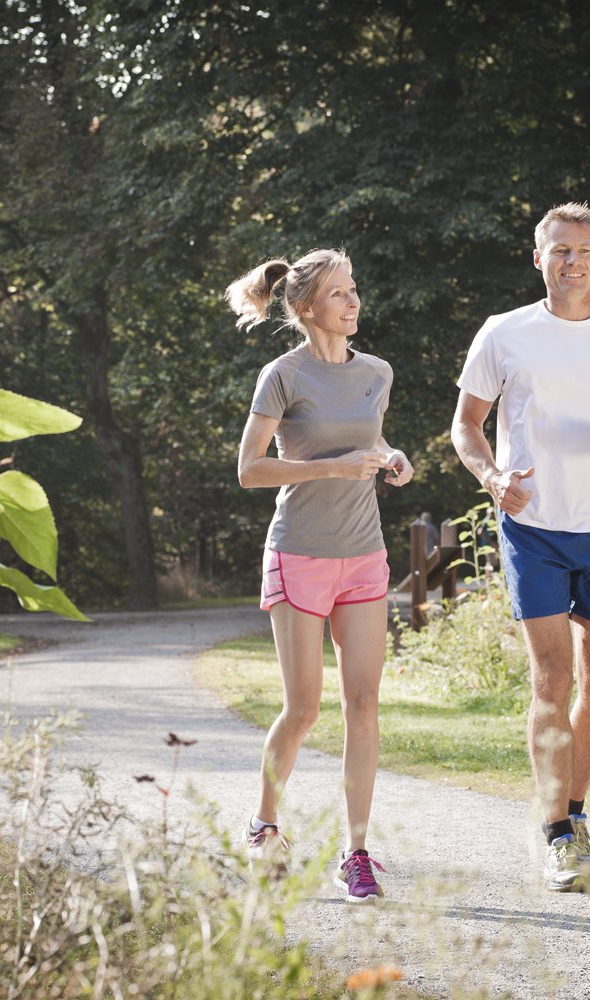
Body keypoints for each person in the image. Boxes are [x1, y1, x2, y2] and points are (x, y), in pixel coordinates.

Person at [450, 202, 590, 892]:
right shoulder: (503, 333)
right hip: (533, 526)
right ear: (537, 258)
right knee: (552, 678)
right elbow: (465, 426)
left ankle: (573, 814)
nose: (570, 261)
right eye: (557, 251)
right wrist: (491, 477)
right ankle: (554, 832)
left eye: (581, 250)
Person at [228, 247, 414, 903]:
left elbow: (370, 439)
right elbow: (249, 469)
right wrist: (329, 468)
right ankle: (264, 825)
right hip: (299, 553)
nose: (353, 301)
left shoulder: (376, 372)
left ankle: (356, 853)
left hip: (363, 554)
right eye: (339, 294)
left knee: (363, 705)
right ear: (308, 308)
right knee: (303, 708)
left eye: (354, 289)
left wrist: (391, 459)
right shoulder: (281, 375)